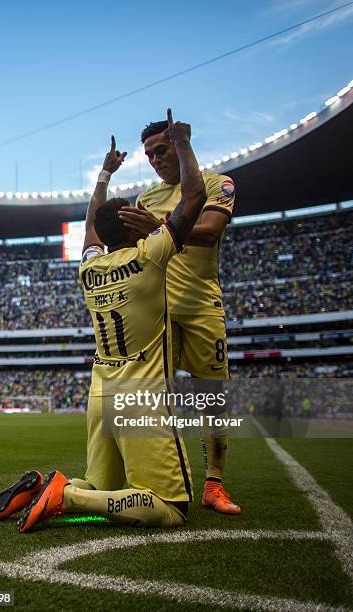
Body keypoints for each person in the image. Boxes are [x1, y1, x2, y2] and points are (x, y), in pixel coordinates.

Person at [0, 109, 207, 531]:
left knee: (102, 489)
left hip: (101, 391)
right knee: (172, 508)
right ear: (132, 227)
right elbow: (193, 198)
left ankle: (45, 489)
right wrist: (182, 142)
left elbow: (89, 227)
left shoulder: (90, 268)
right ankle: (63, 494)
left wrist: (104, 174)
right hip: (141, 394)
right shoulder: (149, 255)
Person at [118, 119, 241, 514]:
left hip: (202, 305)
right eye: (149, 154)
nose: (154, 160)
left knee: (211, 399)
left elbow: (209, 232)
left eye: (162, 150)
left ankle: (214, 484)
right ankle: (157, 479)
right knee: (153, 400)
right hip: (158, 314)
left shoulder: (217, 184)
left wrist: (161, 228)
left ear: (180, 144)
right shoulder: (145, 198)